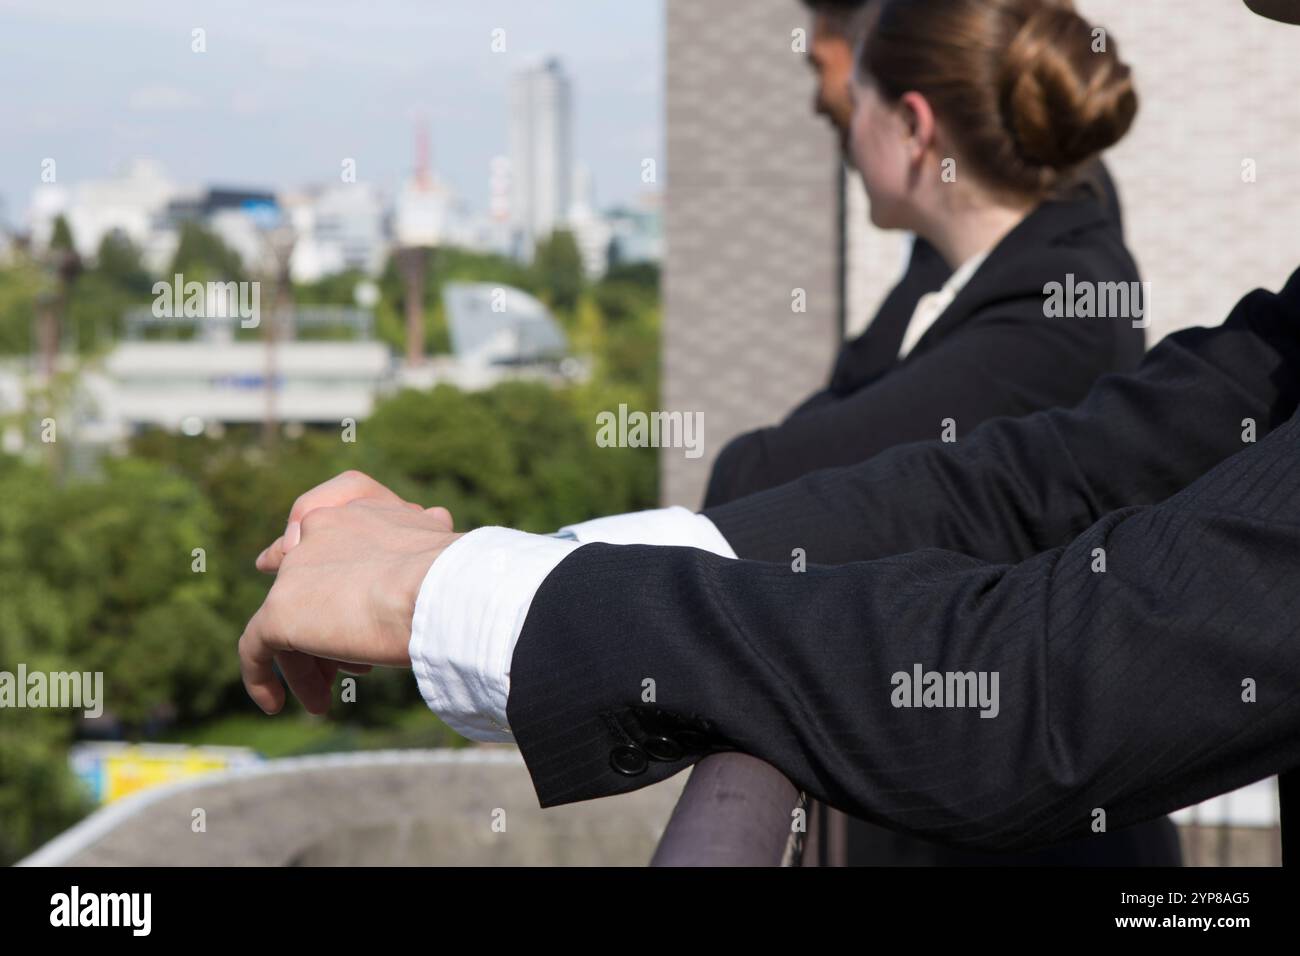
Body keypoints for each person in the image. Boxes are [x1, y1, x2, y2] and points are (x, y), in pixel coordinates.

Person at [240, 0, 1300, 857]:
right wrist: (480, 564)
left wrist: (443, 592)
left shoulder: (1064, 292)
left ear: (915, 125)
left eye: (850, 99)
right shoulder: (1016, 279)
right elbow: (997, 485)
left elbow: (1034, 688)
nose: (830, 117)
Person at [704, 0, 1140, 508]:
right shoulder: (1000, 272)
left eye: (857, 98)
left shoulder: (1058, 305)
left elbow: (761, 478)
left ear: (913, 128)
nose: (843, 120)